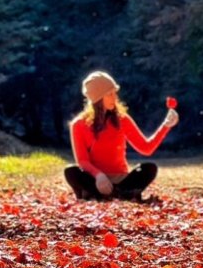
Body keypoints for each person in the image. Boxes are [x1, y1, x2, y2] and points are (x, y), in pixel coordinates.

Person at [64, 71, 178, 201]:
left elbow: (146, 148)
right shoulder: (78, 124)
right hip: (96, 180)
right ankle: (116, 195)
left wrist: (166, 126)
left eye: (115, 93)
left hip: (122, 181)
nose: (115, 98)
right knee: (71, 171)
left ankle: (111, 195)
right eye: (109, 94)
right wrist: (99, 175)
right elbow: (83, 161)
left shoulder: (122, 119)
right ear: (97, 99)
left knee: (149, 168)